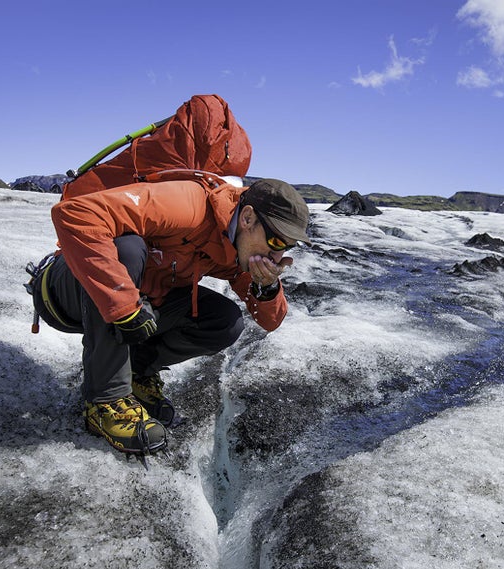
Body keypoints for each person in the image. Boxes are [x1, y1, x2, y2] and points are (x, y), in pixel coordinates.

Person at [28, 177, 311, 455]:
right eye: (275, 240)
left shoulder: (237, 243)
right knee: (126, 247)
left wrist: (267, 286)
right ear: (248, 217)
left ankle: (137, 372)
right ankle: (106, 401)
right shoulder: (187, 205)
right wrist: (124, 306)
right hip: (63, 293)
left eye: (287, 247)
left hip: (137, 304)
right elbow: (74, 213)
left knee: (225, 320)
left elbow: (270, 320)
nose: (278, 255)